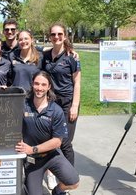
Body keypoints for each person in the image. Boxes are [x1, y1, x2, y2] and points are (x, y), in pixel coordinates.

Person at [15, 71, 79, 195]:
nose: (39, 88)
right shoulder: (23, 105)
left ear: (49, 86)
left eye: (43, 85)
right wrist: (4, 91)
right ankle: (28, 185)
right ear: (32, 84)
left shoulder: (56, 110)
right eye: (37, 84)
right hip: (32, 160)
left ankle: (57, 191)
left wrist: (32, 149)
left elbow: (57, 142)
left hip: (51, 155)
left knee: (74, 182)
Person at [42, 23, 81, 169]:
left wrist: (74, 106)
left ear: (64, 36)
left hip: (67, 103)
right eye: (53, 34)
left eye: (59, 34)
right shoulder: (45, 55)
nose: (56, 37)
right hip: (51, 102)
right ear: (49, 36)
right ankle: (52, 172)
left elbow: (77, 82)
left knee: (64, 141)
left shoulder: (72, 57)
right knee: (50, 137)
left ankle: (68, 177)